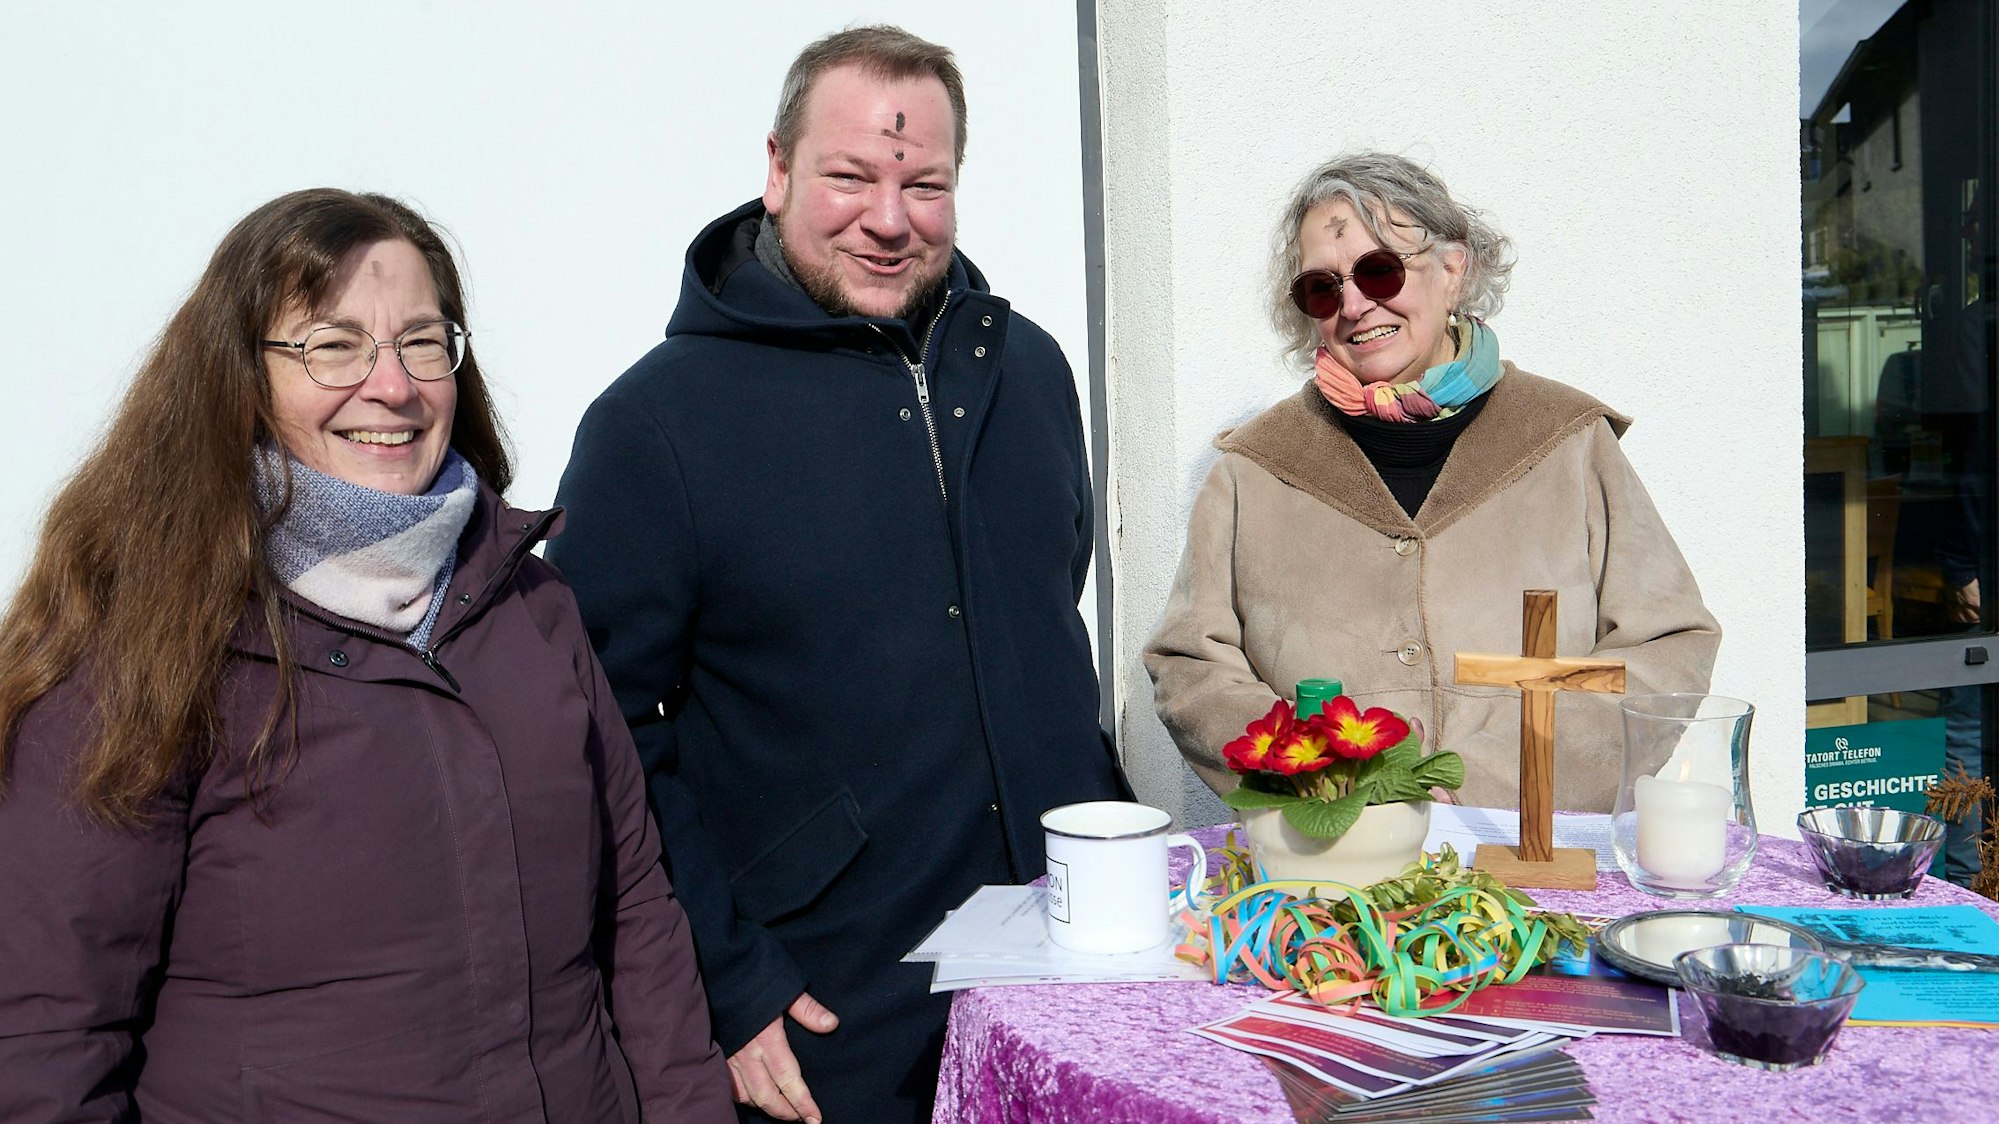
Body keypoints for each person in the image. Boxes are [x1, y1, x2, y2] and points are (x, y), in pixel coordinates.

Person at [0, 189, 733, 1122]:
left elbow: (636, 921)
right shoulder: (142, 642)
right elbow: (47, 1032)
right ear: (240, 378)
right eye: (331, 346)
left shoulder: (532, 607)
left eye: (422, 342)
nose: (391, 386)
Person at [549, 25, 1128, 1124]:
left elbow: (1050, 625)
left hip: (1074, 974)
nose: (889, 217)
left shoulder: (1031, 369)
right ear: (776, 170)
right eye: (850, 176)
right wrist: (726, 975)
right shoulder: (655, 422)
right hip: (839, 1012)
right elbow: (601, 732)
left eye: (925, 182)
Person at [1145, 152, 1721, 813]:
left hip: (1529, 853)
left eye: (1379, 270)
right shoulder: (1255, 469)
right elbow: (1190, 664)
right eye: (1322, 288)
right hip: (1333, 862)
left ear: (1453, 270)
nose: (1355, 305)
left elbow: (1666, 645)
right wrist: (1328, 784)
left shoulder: (1566, 441)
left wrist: (1491, 781)